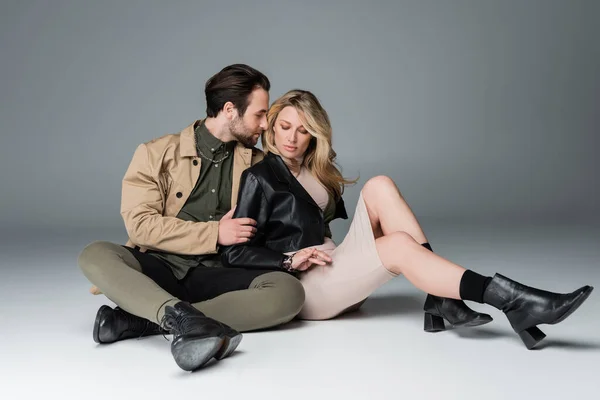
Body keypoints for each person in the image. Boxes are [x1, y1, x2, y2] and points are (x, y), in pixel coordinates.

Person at [221, 89, 593, 350]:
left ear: (314, 135)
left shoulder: (317, 172)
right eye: (285, 127)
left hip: (337, 267)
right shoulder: (259, 177)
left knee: (380, 184)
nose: (292, 138)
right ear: (271, 127)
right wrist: (289, 258)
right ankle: (512, 299)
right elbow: (236, 254)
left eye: (304, 130)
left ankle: (439, 297)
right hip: (310, 288)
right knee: (398, 247)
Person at [77, 64, 306, 372]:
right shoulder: (155, 154)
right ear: (229, 110)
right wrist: (216, 234)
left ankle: (146, 320)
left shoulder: (260, 163)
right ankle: (176, 318)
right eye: (259, 114)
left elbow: (290, 216)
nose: (266, 125)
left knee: (289, 293)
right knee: (95, 254)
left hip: (220, 271)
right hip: (161, 266)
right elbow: (141, 226)